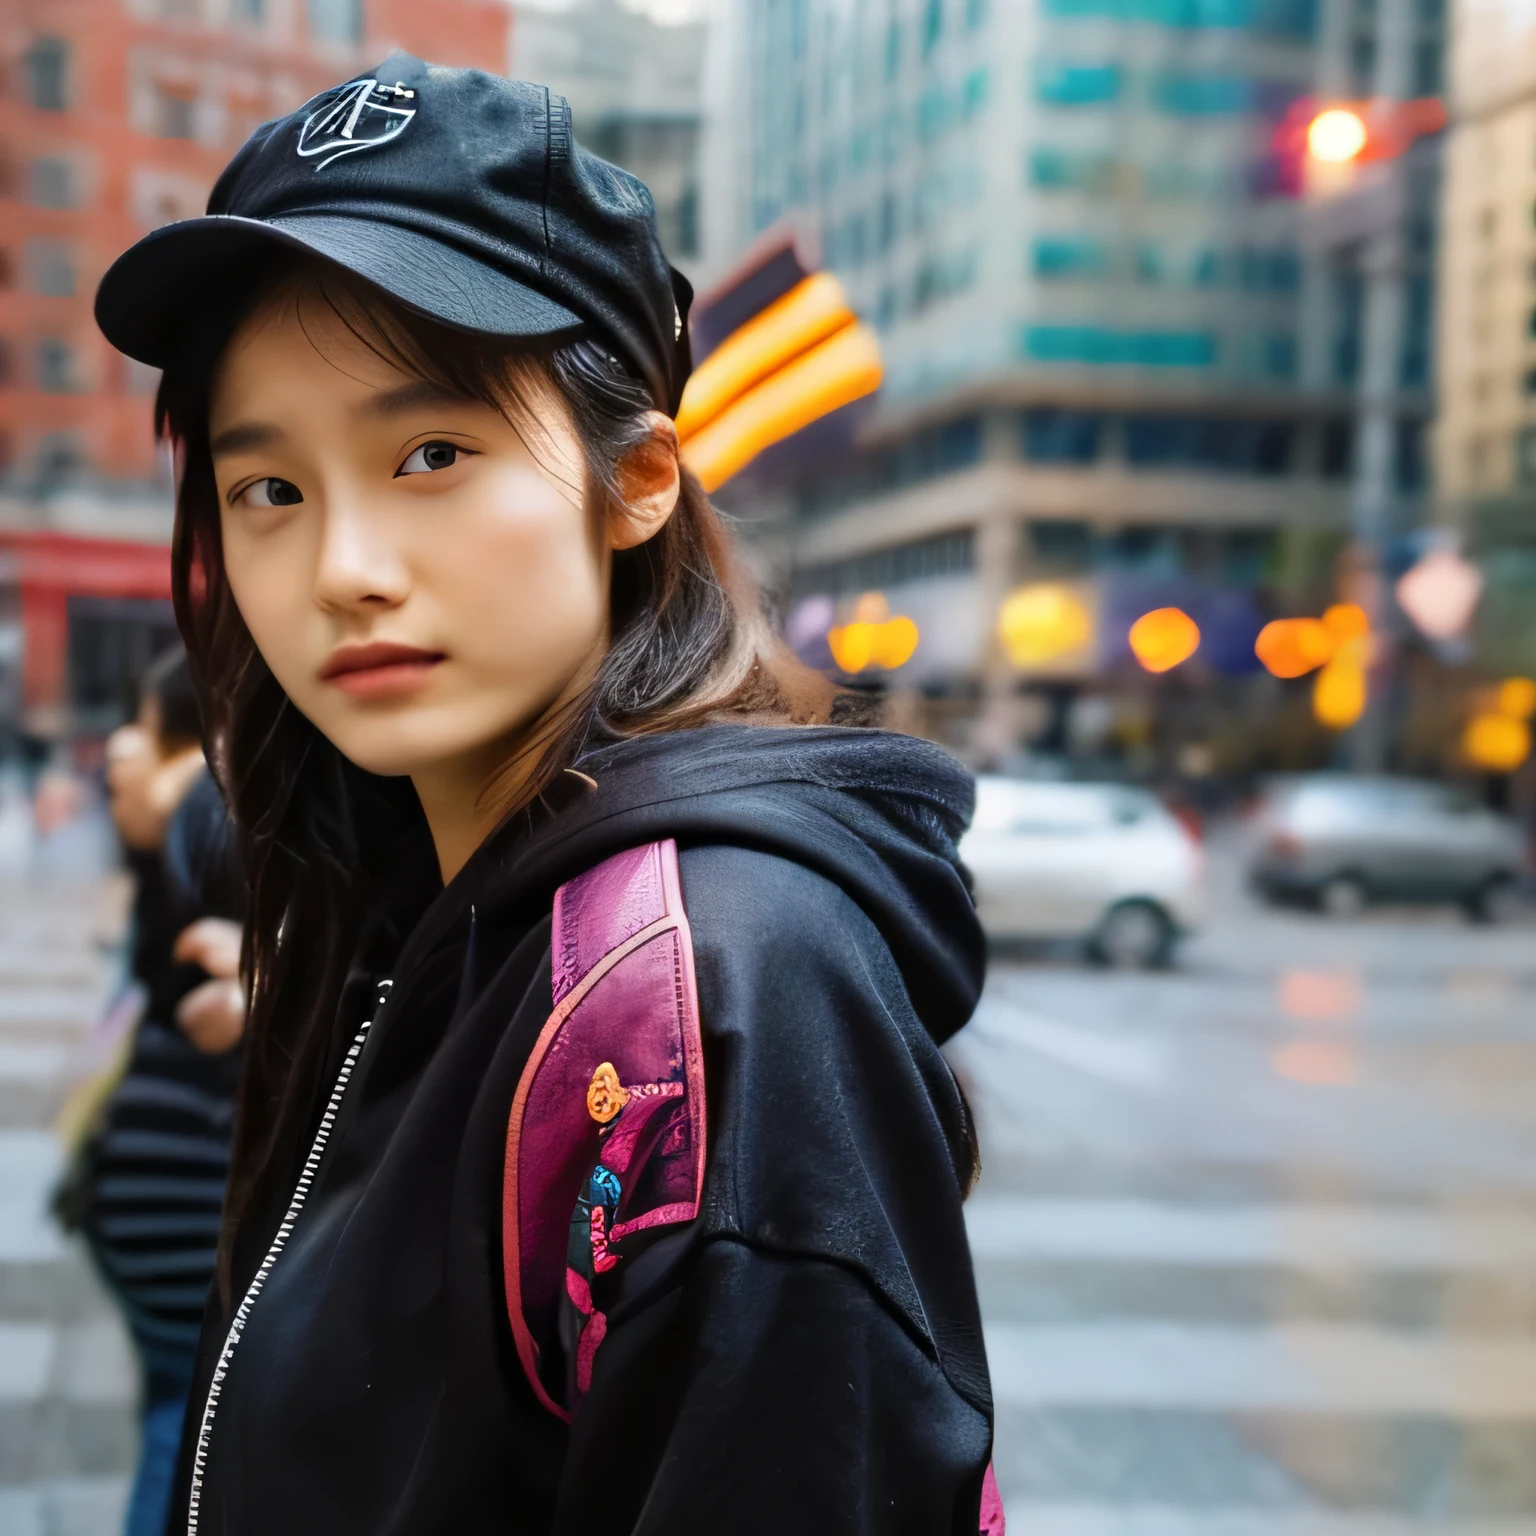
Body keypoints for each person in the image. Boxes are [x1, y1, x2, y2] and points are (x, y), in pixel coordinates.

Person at [94, 56, 1000, 1535]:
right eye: (271, 490)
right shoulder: (410, 897)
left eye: (431, 454)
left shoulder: (714, 984)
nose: (342, 569)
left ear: (635, 477)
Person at [67, 647, 246, 1536]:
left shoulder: (211, 811)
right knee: (185, 1426)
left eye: (142, 725)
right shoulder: (205, 815)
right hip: (182, 1214)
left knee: (182, 1434)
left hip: (183, 1208)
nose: (122, 752)